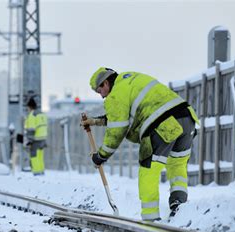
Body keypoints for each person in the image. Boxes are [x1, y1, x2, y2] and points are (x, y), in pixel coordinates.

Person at [82, 67, 199, 221]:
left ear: (105, 83)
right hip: (187, 119)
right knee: (177, 165)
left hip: (162, 124)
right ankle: (179, 206)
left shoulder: (115, 95)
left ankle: (151, 219)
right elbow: (123, 116)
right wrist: (95, 121)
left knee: (148, 168)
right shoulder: (130, 80)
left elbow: (117, 130)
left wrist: (101, 156)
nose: (102, 96)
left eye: (99, 91)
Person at [24, 97, 48, 176]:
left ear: (30, 107)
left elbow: (31, 129)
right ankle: (41, 171)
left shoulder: (32, 115)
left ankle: (37, 172)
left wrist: (29, 141)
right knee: (40, 156)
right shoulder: (42, 114)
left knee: (34, 156)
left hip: (36, 139)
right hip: (43, 138)